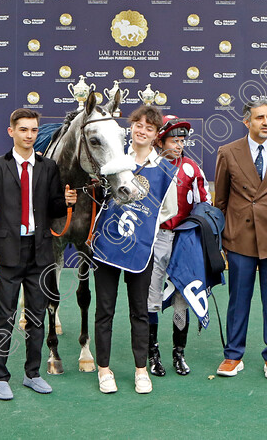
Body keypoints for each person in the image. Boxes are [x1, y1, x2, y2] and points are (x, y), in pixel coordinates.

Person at [0, 108, 76, 401]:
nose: (29, 135)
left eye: (33, 130)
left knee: (37, 317)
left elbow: (54, 207)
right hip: (6, 252)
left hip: (40, 252)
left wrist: (67, 202)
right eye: (23, 130)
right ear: (12, 132)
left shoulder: (48, 167)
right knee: (5, 317)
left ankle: (33, 373)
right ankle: (0, 377)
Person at [92, 106, 177, 395]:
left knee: (139, 311)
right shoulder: (115, 158)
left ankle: (141, 369)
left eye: (149, 128)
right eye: (137, 124)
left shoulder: (165, 169)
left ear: (155, 135)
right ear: (131, 127)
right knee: (104, 309)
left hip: (141, 250)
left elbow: (169, 210)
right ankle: (103, 369)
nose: (141, 130)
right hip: (108, 245)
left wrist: (145, 225)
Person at [214, 101, 267, 381]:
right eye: (260, 117)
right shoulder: (228, 152)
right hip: (239, 238)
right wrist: (221, 238)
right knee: (238, 299)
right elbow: (221, 200)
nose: (266, 122)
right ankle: (233, 355)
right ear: (247, 121)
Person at [146, 115, 211, 378]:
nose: (179, 144)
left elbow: (204, 204)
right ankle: (153, 353)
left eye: (182, 140)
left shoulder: (193, 169)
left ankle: (178, 353)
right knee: (151, 297)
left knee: (181, 298)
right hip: (156, 239)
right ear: (160, 140)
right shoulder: (150, 167)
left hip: (184, 240)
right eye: (174, 139)